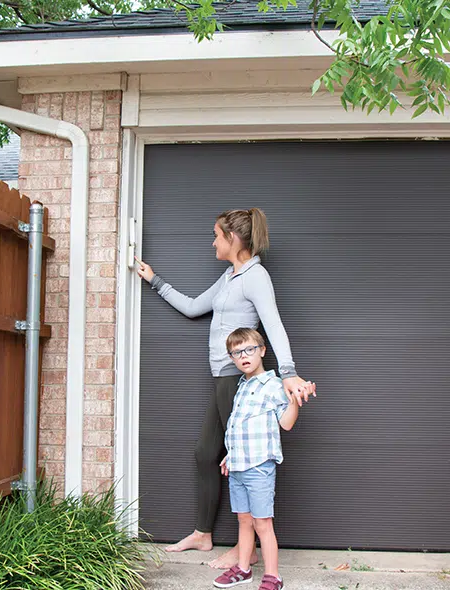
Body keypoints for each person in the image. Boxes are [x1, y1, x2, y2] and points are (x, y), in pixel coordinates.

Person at [135, 207, 316, 569]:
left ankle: (240, 548)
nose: (213, 241)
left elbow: (274, 325)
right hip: (221, 378)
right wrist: (154, 280)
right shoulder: (230, 276)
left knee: (242, 462)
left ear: (233, 239)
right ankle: (204, 535)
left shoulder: (256, 277)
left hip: (237, 381)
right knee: (207, 455)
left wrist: (289, 372)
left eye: (217, 235)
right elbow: (192, 308)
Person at [212, 328, 299, 589]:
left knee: (262, 523)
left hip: (259, 467)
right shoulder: (242, 386)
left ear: (262, 350)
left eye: (249, 349)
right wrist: (230, 455)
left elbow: (286, 424)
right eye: (237, 353)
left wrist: (294, 400)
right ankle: (243, 568)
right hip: (238, 466)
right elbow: (239, 427)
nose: (244, 356)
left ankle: (273, 575)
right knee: (244, 520)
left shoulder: (273, 385)